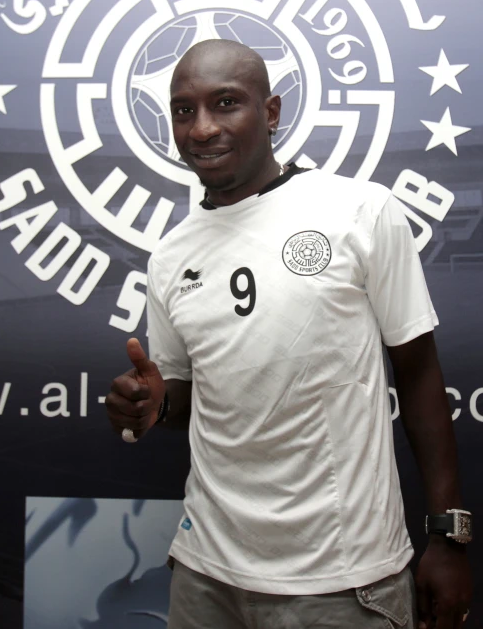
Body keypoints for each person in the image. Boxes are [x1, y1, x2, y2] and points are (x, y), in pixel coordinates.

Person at [106, 39, 473, 629]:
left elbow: (421, 376)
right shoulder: (171, 256)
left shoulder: (360, 211)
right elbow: (184, 401)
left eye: (225, 103)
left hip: (344, 580)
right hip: (205, 575)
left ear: (271, 112)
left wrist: (450, 538)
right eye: (183, 110)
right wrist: (153, 404)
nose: (201, 129)